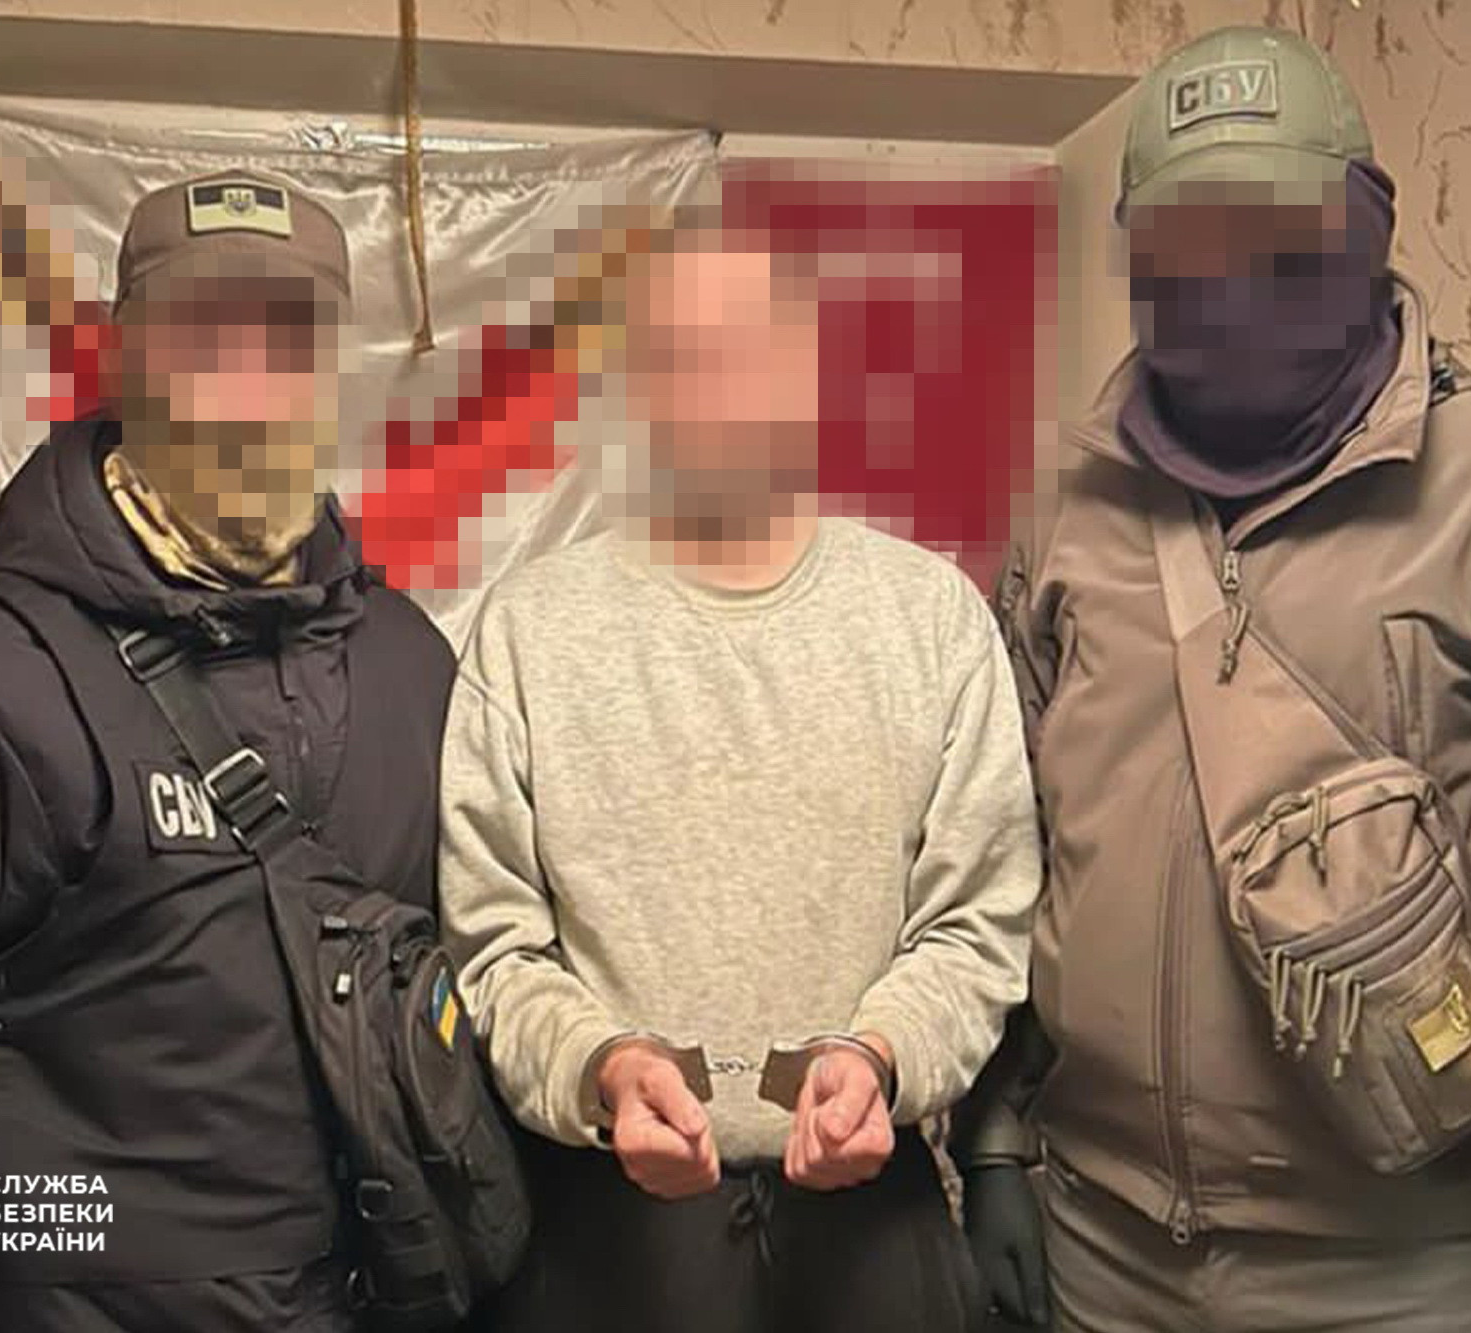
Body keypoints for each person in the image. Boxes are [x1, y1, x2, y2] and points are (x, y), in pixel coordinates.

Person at [955, 25, 1471, 1333]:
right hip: (1100, 1250)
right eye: (1184, 240)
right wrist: (994, 1143)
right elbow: (1013, 847)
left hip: (1406, 1276)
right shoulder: (1060, 512)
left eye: (1275, 228)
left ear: (1365, 226)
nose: (1226, 277)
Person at [0, 173, 458, 1331]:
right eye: (203, 331)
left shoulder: (410, 666)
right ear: (129, 352)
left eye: (286, 336)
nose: (247, 379)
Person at [438, 219, 1042, 1333]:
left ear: (809, 371)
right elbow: (494, 946)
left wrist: (882, 1056)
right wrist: (598, 1066)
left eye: (748, 348)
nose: (716, 388)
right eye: (678, 355)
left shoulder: (929, 621)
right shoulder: (531, 632)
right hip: (606, 1224)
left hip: (873, 1211)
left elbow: (978, 924)